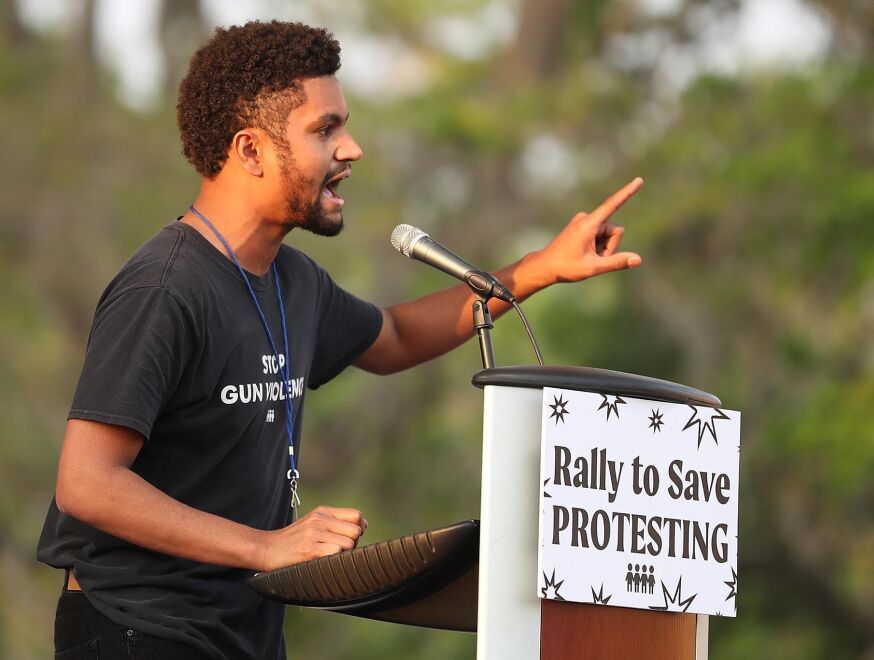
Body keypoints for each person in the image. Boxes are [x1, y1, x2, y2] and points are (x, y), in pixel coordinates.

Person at [37, 20, 643, 660]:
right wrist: (266, 547)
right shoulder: (164, 289)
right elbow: (87, 482)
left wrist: (538, 268)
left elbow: (398, 335)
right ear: (250, 150)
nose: (351, 148)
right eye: (324, 129)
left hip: (242, 630)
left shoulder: (293, 280)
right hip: (137, 631)